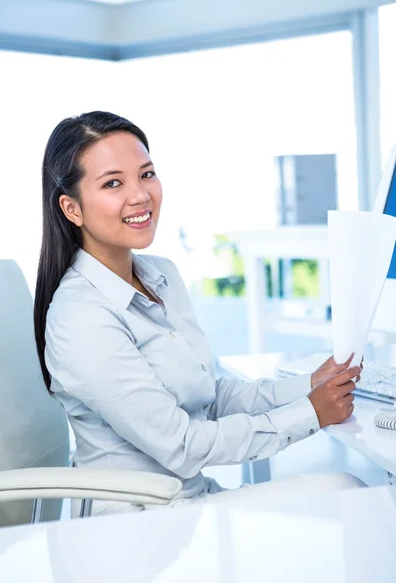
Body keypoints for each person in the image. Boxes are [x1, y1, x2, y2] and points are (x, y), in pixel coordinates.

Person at [34, 111, 365, 517]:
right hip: (135, 527)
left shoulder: (161, 276)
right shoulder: (80, 317)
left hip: (189, 503)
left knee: (349, 494)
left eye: (147, 174)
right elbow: (182, 446)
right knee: (350, 495)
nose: (140, 195)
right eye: (113, 183)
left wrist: (309, 385)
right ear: (72, 208)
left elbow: (208, 396)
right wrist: (311, 413)